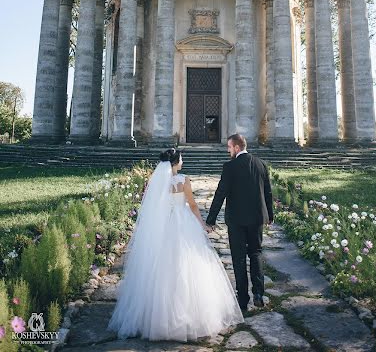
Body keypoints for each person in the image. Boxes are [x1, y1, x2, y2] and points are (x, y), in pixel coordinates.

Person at [107, 148, 243, 341]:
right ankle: (187, 317)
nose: (183, 161)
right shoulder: (183, 180)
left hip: (162, 226)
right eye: (181, 159)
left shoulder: (156, 181)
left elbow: (153, 206)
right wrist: (203, 225)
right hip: (182, 223)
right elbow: (193, 205)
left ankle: (155, 318)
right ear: (176, 162)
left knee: (160, 268)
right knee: (186, 266)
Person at [206, 133, 274, 312]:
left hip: (236, 220)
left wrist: (211, 220)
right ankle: (259, 293)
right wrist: (270, 216)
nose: (228, 151)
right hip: (257, 218)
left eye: (229, 147)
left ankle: (243, 299)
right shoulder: (261, 164)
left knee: (239, 258)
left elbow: (220, 194)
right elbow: (268, 192)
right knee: (256, 253)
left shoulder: (230, 167)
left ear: (236, 147)